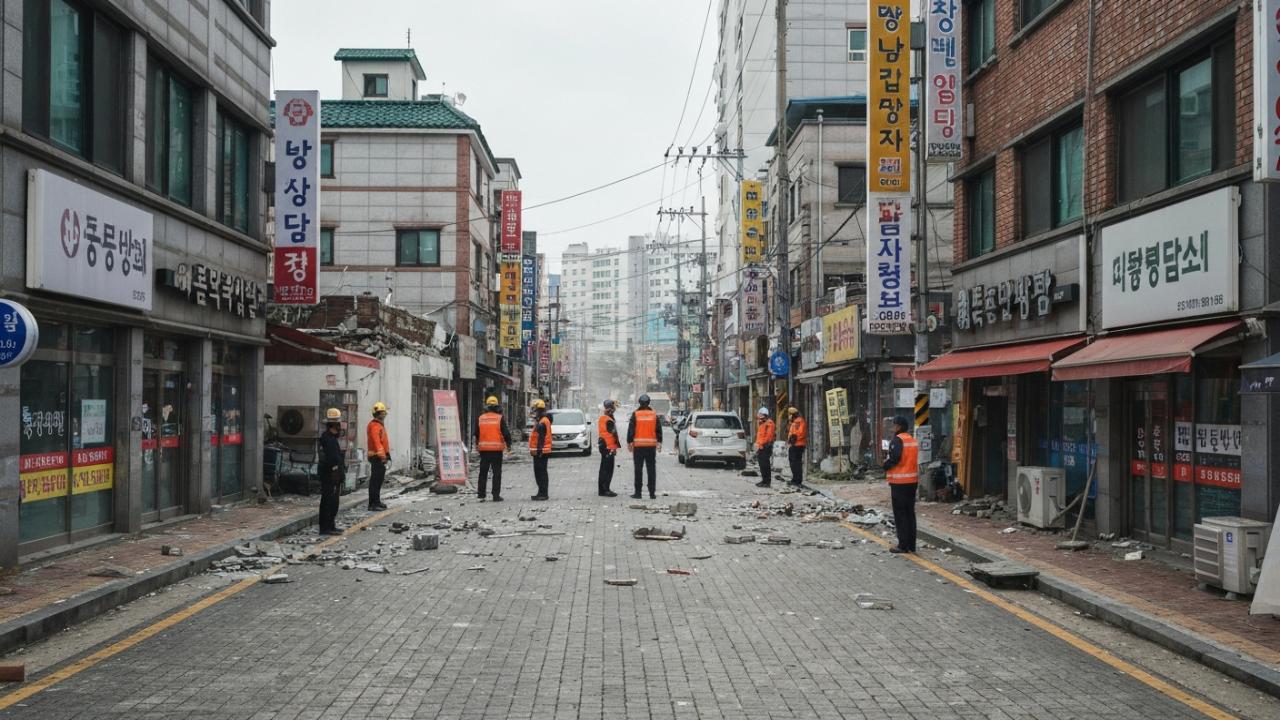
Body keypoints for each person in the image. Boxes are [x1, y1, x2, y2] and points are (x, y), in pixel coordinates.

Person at [883, 416, 919, 554]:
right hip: (912, 482)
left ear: (898, 426)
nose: (892, 428)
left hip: (899, 483)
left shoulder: (897, 440)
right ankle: (911, 545)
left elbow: (895, 458)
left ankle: (902, 545)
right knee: (910, 513)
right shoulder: (912, 440)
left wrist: (885, 465)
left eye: (893, 426)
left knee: (900, 514)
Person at [475, 396, 512, 502]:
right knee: (496, 472)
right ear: (497, 406)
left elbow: (476, 433)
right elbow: (506, 433)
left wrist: (478, 444)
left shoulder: (481, 418)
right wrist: (509, 444)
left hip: (484, 450)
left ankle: (481, 495)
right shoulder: (499, 418)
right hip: (496, 450)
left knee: (483, 472)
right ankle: (496, 495)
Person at [627, 394, 662, 499]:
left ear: (639, 403)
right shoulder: (654, 414)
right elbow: (658, 430)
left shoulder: (635, 414)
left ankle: (638, 493)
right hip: (651, 447)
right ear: (648, 403)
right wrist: (659, 442)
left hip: (638, 447)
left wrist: (629, 442)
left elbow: (631, 430)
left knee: (638, 469)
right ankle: (652, 493)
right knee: (651, 469)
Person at [317, 408, 346, 536]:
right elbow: (331, 458)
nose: (340, 428)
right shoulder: (327, 439)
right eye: (338, 425)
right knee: (328, 501)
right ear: (334, 425)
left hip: (333, 474)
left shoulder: (330, 438)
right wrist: (336, 471)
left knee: (333, 501)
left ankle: (331, 525)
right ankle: (325, 527)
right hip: (329, 474)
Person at [366, 401, 390, 511]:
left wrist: (387, 454)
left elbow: (383, 441)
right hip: (376, 457)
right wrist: (382, 456)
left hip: (378, 456)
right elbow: (377, 443)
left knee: (378, 480)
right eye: (382, 413)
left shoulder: (378, 425)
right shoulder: (375, 426)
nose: (384, 415)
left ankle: (377, 501)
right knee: (375, 481)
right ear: (378, 413)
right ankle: (373, 504)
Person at [597, 399, 622, 497]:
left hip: (603, 445)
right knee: (608, 469)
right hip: (608, 446)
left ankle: (601, 490)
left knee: (603, 468)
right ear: (611, 408)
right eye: (614, 407)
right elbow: (613, 434)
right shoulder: (609, 420)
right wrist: (615, 448)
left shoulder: (603, 418)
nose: (615, 409)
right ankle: (606, 490)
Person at [528, 399, 552, 500]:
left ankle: (543, 494)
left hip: (541, 452)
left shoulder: (543, 421)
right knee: (540, 472)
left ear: (539, 410)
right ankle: (541, 492)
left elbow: (541, 438)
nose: (534, 412)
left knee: (540, 473)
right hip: (541, 451)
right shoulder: (542, 420)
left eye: (535, 410)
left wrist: (539, 451)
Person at [786, 406, 807, 487]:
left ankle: (797, 480)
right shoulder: (794, 422)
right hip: (795, 444)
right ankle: (795, 479)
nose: (789, 416)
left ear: (793, 414)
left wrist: (794, 438)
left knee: (795, 463)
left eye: (790, 414)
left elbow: (800, 433)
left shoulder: (799, 422)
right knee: (794, 463)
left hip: (797, 445)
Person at [754, 408, 775, 488]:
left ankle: (767, 482)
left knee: (765, 464)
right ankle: (764, 480)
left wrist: (761, 443)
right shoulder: (762, 424)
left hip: (766, 446)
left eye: (760, 415)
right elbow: (760, 436)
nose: (759, 416)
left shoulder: (769, 424)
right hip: (761, 447)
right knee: (762, 465)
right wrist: (758, 445)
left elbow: (768, 437)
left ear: (764, 415)